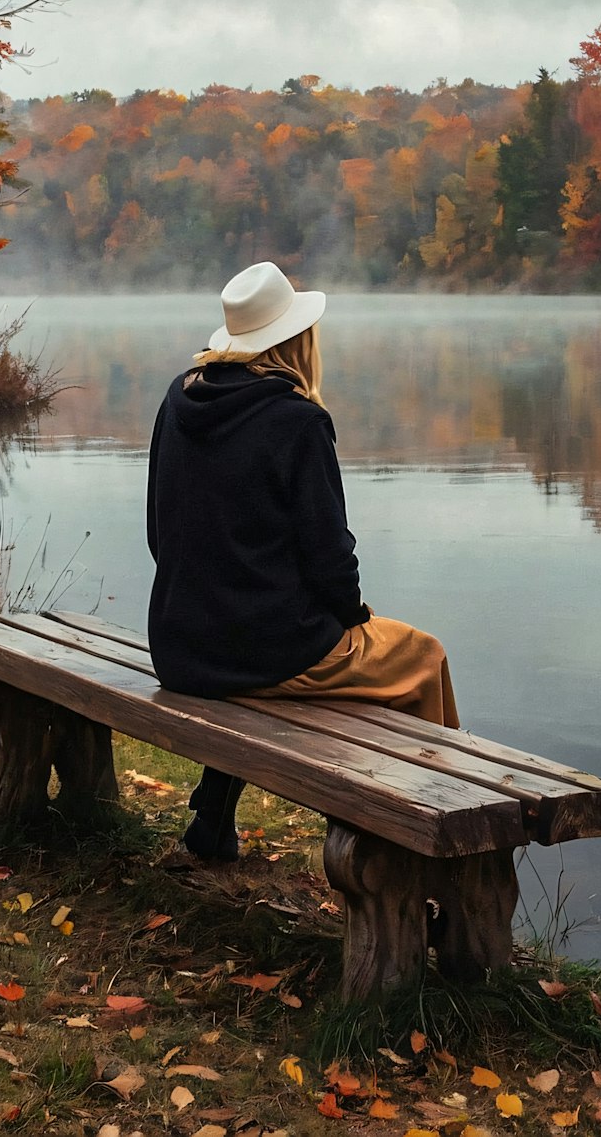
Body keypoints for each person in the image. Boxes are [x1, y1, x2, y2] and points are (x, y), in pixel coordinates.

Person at [146, 260, 458, 861]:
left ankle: (213, 818)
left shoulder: (178, 399)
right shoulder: (298, 421)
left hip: (180, 644)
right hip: (265, 654)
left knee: (261, 626)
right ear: (297, 340)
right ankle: (426, 852)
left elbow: (162, 536)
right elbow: (330, 561)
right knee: (423, 657)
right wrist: (351, 613)